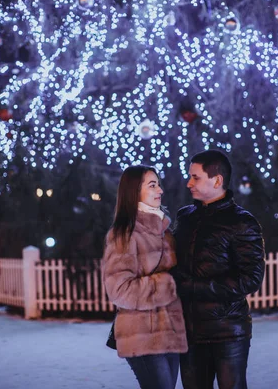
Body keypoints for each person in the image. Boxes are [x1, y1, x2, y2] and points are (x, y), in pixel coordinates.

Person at [171, 150, 266, 389]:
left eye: (195, 177)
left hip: (227, 332)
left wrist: (193, 287)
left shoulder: (241, 222)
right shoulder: (185, 216)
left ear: (217, 180)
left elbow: (250, 278)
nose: (188, 182)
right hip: (189, 332)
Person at [103, 165, 188, 389]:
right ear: (134, 192)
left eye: (158, 184)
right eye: (152, 185)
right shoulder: (125, 234)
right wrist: (168, 284)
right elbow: (119, 290)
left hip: (169, 333)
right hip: (142, 335)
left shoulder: (163, 231)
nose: (160, 190)